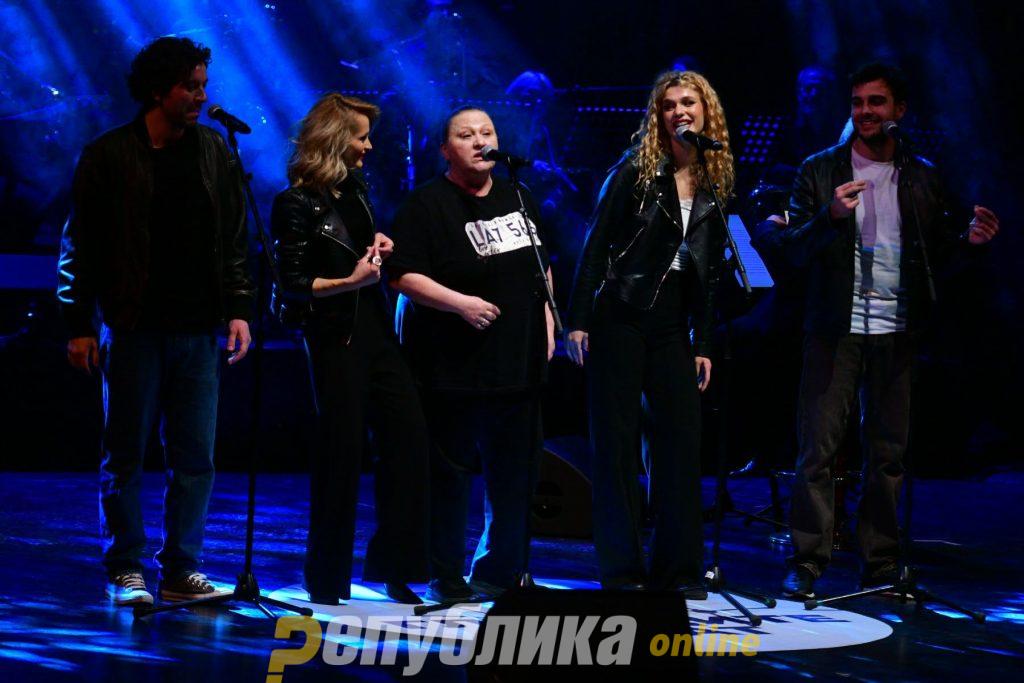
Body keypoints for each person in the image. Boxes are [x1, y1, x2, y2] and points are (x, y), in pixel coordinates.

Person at [779, 63, 1000, 599]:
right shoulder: (819, 169)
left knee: (887, 454)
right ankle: (807, 562)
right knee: (817, 450)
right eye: (857, 102)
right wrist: (830, 216)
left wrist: (969, 244)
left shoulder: (922, 175)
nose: (865, 112)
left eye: (876, 102)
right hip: (834, 327)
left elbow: (936, 254)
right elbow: (790, 249)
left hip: (897, 330)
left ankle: (879, 562)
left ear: (899, 110)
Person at [56, 37, 254, 605]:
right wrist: (78, 322)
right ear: (158, 90)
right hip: (134, 327)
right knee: (125, 454)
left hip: (198, 330)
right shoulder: (110, 154)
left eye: (203, 85)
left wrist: (239, 309)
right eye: (190, 86)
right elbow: (80, 245)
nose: (201, 96)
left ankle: (180, 570)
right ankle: (125, 566)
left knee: (195, 458)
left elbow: (234, 239)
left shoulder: (214, 151)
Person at [566, 70, 732, 594]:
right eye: (669, 104)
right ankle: (621, 569)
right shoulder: (634, 172)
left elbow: (710, 273)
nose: (680, 111)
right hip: (621, 314)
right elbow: (595, 247)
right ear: (658, 117)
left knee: (680, 445)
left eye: (689, 102)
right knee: (615, 447)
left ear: (706, 112)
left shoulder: (715, 178)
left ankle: (678, 570)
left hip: (673, 324)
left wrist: (702, 342)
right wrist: (577, 321)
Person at [386, 106, 555, 601]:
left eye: (487, 133)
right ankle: (445, 575)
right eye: (466, 135)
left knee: (516, 476)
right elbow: (402, 275)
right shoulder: (427, 204)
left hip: (517, 364)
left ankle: (501, 571)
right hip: (454, 368)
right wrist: (460, 304)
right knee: (451, 476)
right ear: (445, 148)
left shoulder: (518, 195)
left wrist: (548, 321)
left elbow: (543, 265)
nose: (480, 142)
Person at [270, 94, 430, 605]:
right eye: (361, 137)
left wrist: (378, 245)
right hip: (333, 337)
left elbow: (356, 248)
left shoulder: (356, 189)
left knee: (408, 440)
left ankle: (397, 567)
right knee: (340, 455)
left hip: (376, 332)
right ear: (336, 140)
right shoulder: (295, 203)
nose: (369, 146)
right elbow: (293, 284)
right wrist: (351, 280)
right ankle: (326, 577)